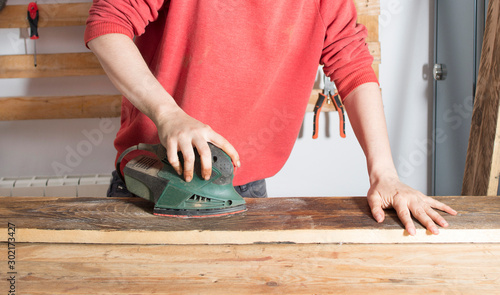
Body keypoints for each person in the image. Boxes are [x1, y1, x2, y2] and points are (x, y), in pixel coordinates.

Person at [85, 0, 457, 235]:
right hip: (157, 178)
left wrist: (386, 175)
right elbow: (107, 25)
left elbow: (354, 66)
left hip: (242, 188)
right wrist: (169, 115)